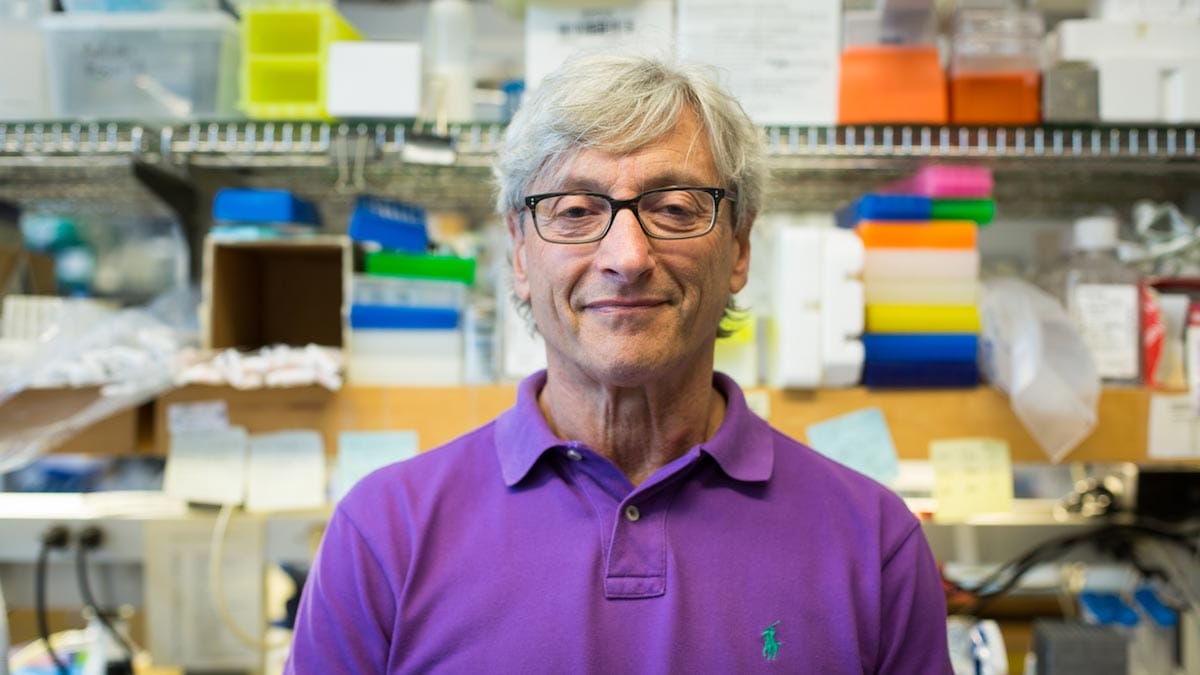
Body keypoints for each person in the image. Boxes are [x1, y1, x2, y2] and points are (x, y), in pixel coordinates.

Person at [286, 52, 953, 674]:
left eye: (673, 208)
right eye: (576, 210)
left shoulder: (873, 543)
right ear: (520, 253)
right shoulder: (382, 534)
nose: (627, 256)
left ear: (740, 249)